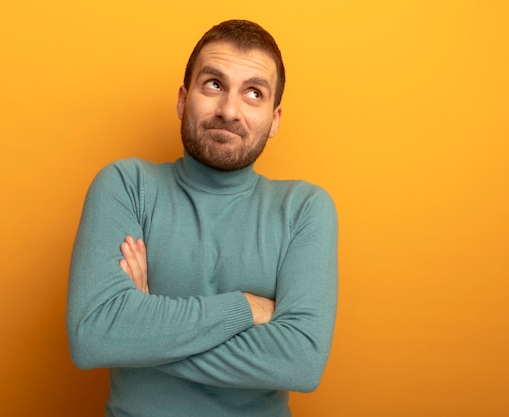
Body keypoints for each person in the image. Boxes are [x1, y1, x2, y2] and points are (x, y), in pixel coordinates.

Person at [67, 19, 338, 417]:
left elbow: (300, 361)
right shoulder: (127, 185)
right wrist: (245, 308)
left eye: (253, 93)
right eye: (214, 84)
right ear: (182, 99)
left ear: (275, 119)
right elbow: (92, 336)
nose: (229, 110)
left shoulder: (303, 209)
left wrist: (140, 332)